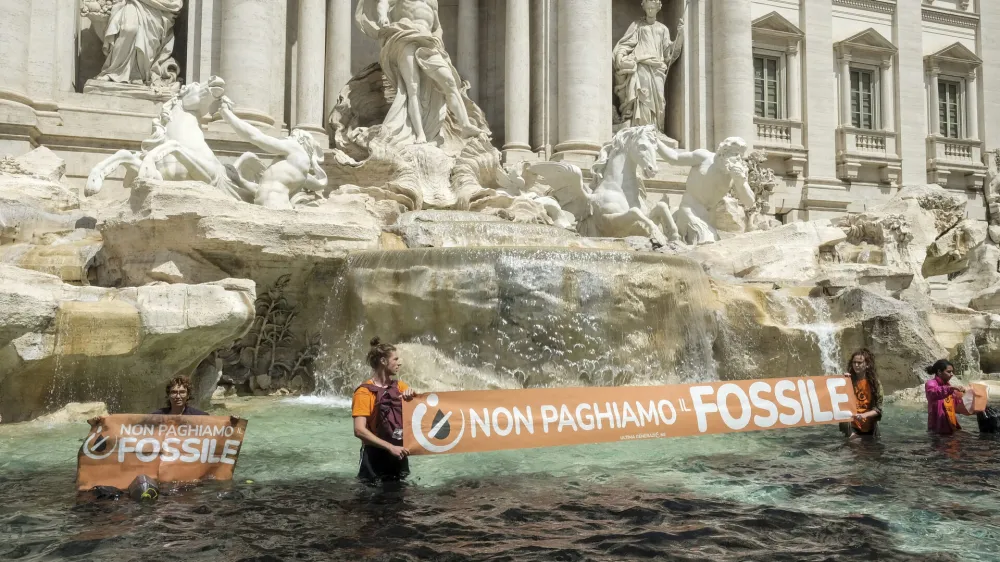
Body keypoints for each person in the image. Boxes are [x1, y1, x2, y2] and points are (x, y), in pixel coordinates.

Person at [613, 0, 684, 131]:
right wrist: (620, 55)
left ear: (658, 8)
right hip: (641, 65)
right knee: (642, 96)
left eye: (653, 8)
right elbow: (626, 43)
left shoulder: (663, 29)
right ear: (644, 8)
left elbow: (669, 53)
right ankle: (640, 128)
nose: (650, 11)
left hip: (657, 68)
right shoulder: (637, 25)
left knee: (659, 101)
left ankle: (656, 129)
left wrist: (680, 36)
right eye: (648, 8)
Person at [352, 337, 415, 482]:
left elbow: (419, 417)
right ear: (383, 361)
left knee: (401, 500)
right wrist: (390, 447)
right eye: (395, 359)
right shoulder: (364, 392)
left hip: (399, 453)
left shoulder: (401, 387)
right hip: (374, 458)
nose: (399, 363)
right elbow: (359, 430)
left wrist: (412, 397)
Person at [839, 349, 883, 438]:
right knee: (855, 446)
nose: (856, 365)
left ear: (867, 364)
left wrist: (863, 415)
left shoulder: (875, 384)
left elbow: (879, 409)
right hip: (852, 426)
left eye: (859, 363)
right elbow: (836, 399)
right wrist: (841, 380)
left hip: (870, 427)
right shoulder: (847, 380)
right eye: (854, 362)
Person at [925, 359, 965, 435]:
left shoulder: (948, 385)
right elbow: (935, 392)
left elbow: (956, 405)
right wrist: (950, 389)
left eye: (952, 371)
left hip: (949, 425)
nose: (952, 374)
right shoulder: (931, 384)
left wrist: (964, 395)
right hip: (937, 428)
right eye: (949, 371)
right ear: (939, 372)